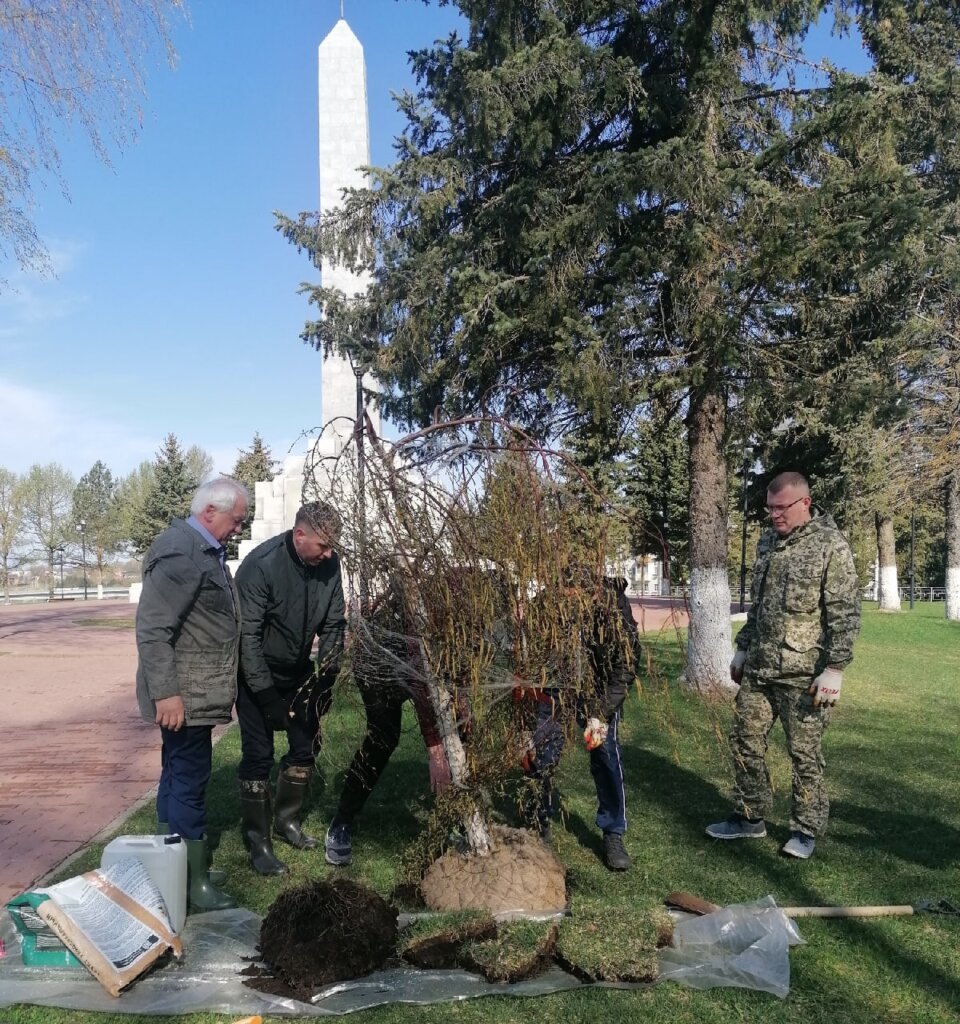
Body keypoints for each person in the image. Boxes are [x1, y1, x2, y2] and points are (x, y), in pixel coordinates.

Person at [706, 470, 861, 859]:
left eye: (782, 508)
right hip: (760, 670)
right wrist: (742, 648)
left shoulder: (830, 546)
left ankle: (805, 830)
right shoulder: (767, 544)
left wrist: (836, 669)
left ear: (804, 503)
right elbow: (759, 608)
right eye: (770, 508)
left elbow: (844, 613)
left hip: (805, 675)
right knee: (745, 741)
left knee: (804, 755)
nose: (774, 515)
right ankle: (749, 816)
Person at [135, 477, 248, 911]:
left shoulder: (199, 548)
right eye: (235, 521)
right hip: (186, 696)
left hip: (194, 691)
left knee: (176, 773)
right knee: (189, 782)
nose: (237, 528)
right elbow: (153, 628)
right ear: (210, 513)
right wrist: (167, 695)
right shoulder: (181, 551)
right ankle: (192, 884)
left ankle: (172, 870)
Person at [234, 500, 346, 875]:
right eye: (323, 546)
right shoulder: (260, 566)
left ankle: (287, 821)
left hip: (299, 672)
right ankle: (258, 841)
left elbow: (334, 625)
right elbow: (246, 637)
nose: (329, 554)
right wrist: (266, 696)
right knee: (258, 755)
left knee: (305, 747)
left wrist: (326, 678)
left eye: (332, 547)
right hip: (256, 673)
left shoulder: (329, 565)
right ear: (300, 535)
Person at [324, 581, 452, 867]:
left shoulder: (471, 609)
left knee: (457, 735)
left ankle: (454, 819)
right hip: (378, 667)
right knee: (383, 738)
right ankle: (341, 821)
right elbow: (421, 676)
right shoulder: (424, 606)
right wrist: (434, 748)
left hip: (416, 664)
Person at [524, 573, 639, 872]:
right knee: (542, 753)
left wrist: (600, 713)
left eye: (574, 593)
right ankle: (539, 822)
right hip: (556, 692)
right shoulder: (546, 603)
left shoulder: (613, 605)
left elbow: (626, 664)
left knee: (605, 757)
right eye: (563, 591)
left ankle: (613, 833)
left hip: (597, 696)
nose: (568, 598)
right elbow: (526, 648)